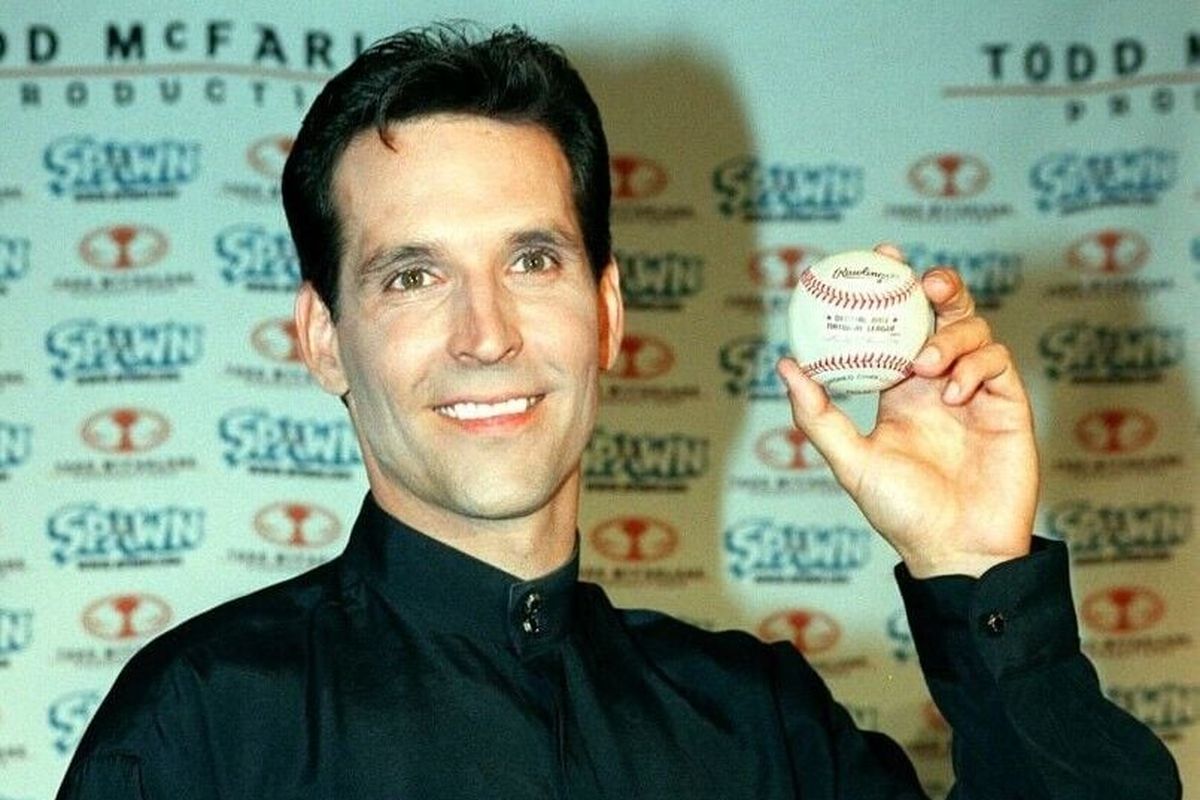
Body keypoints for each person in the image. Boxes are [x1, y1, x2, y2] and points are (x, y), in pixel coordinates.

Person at [56, 24, 1180, 800]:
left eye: (532, 259)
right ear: (320, 338)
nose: (485, 332)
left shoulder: (760, 729)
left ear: (606, 309)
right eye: (412, 275)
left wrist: (976, 569)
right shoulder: (198, 725)